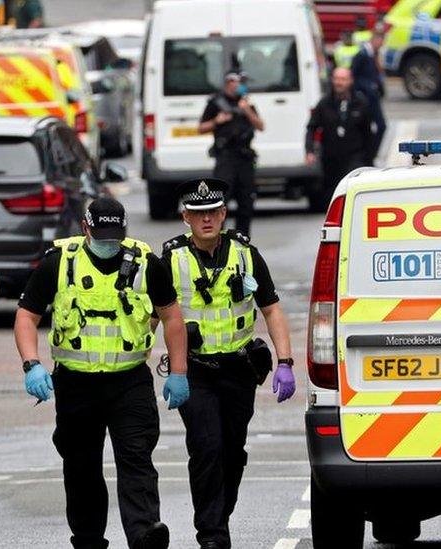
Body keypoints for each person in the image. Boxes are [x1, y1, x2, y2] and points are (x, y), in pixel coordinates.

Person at [14, 195, 188, 549]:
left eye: (115, 237)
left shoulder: (146, 264)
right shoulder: (59, 264)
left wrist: (179, 371)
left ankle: (144, 533)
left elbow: (171, 317)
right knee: (81, 466)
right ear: (85, 228)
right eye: (102, 235)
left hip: (129, 382)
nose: (110, 243)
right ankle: (88, 537)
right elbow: (26, 316)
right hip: (76, 383)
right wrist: (32, 364)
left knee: (136, 457)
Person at [163, 178, 296, 549]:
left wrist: (285, 361)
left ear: (223, 214)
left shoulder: (245, 254)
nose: (206, 219)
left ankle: (218, 516)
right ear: (185, 217)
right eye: (197, 213)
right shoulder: (171, 260)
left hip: (239, 369)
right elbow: (151, 317)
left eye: (213, 212)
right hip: (195, 370)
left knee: (232, 452)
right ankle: (212, 535)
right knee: (206, 446)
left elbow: (271, 309)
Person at [198, 71, 264, 237]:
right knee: (220, 201)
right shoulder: (216, 103)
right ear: (228, 83)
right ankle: (217, 240)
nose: (237, 85)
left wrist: (247, 110)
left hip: (245, 158)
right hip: (225, 157)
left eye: (239, 82)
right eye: (234, 82)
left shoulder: (246, 103)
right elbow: (200, 128)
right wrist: (216, 121)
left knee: (246, 202)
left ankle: (242, 239)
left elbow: (260, 125)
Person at [305, 67, 374, 211]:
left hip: (355, 156)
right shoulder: (324, 104)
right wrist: (310, 150)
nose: (339, 83)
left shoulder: (360, 103)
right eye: (336, 79)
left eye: (342, 79)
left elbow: (369, 133)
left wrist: (369, 157)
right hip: (331, 159)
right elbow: (312, 128)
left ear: (350, 81)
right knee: (333, 196)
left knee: (352, 190)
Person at [350, 30, 387, 164]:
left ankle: (371, 154)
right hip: (366, 98)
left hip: (373, 97)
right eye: (381, 42)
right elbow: (353, 76)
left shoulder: (373, 54)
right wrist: (366, 89)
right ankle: (369, 155)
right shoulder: (362, 54)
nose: (382, 45)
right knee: (373, 127)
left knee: (380, 126)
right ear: (376, 39)